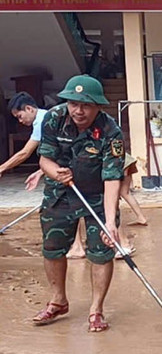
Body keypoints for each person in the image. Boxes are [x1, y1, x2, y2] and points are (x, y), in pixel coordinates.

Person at [32, 75, 125, 333]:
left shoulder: (111, 132)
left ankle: (96, 310)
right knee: (53, 248)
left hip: (96, 197)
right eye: (73, 103)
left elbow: (112, 178)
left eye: (85, 105)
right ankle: (58, 301)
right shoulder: (54, 118)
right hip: (60, 194)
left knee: (101, 251)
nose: (78, 110)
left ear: (98, 106)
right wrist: (55, 172)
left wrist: (109, 222)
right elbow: (44, 160)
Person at [0, 92, 48, 179]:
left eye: (20, 116)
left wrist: (2, 168)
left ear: (29, 108)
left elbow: (25, 153)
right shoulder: (44, 115)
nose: (20, 121)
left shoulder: (41, 121)